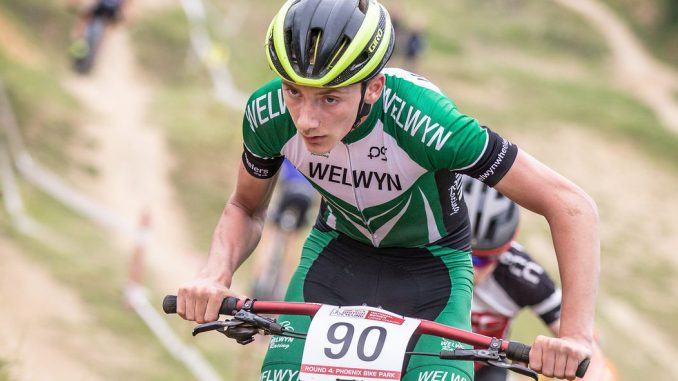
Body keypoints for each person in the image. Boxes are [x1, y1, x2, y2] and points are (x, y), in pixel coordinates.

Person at [175, 0, 600, 380]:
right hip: (335, 259)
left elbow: (571, 206)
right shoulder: (267, 115)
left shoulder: (425, 122)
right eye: (294, 92)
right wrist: (214, 275)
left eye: (329, 99)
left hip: (431, 273)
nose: (306, 119)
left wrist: (576, 336)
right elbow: (246, 207)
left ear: (373, 88)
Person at [461, 176, 613, 381]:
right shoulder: (415, 252)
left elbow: (588, 354)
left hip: (483, 369)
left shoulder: (524, 275)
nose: (470, 267)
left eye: (481, 260)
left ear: (503, 251)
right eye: (461, 253)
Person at [249, 159, 317, 301]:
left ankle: (257, 279)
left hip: (289, 190)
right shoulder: (314, 156)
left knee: (270, 230)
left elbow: (276, 175)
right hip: (307, 195)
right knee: (294, 238)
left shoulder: (287, 151)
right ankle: (284, 286)